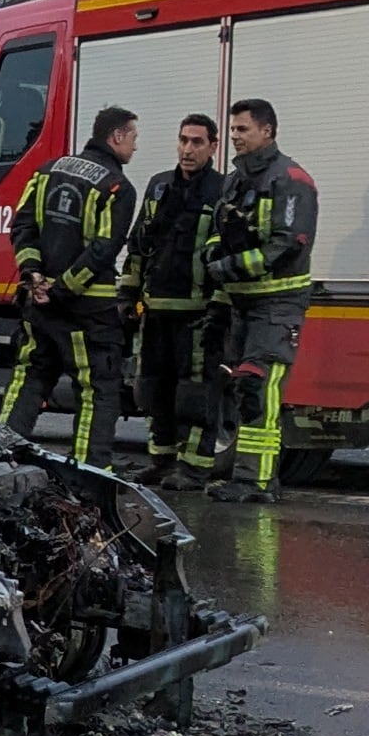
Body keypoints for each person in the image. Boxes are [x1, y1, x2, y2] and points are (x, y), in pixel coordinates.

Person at [0, 108, 140, 465]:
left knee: (28, 380)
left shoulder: (47, 171)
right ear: (117, 137)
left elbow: (23, 227)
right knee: (97, 391)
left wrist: (32, 274)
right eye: (134, 138)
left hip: (39, 306)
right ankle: (89, 475)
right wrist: (62, 290)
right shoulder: (116, 188)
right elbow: (103, 250)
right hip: (87, 314)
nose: (135, 147)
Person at [202, 99, 321, 504]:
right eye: (233, 130)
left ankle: (257, 482)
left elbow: (286, 247)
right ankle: (247, 478)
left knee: (259, 388)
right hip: (243, 305)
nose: (235, 137)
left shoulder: (291, 181)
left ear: (267, 131)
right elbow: (219, 231)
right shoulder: (235, 180)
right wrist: (214, 258)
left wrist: (230, 267)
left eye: (243, 130)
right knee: (241, 391)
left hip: (277, 303)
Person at [127, 112, 227, 484]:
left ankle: (195, 467)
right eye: (183, 140)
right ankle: (162, 460)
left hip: (198, 314)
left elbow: (224, 255)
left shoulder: (222, 191)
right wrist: (128, 293)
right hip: (156, 311)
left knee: (195, 394)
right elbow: (138, 245)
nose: (188, 149)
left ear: (213, 147)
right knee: (153, 388)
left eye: (197, 142)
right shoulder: (159, 187)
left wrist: (219, 306)